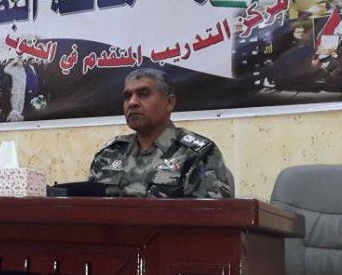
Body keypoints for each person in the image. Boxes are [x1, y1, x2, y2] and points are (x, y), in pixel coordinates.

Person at [88, 69, 234, 198]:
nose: (132, 103)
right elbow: (88, 210)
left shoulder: (197, 155)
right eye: (127, 96)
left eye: (144, 94)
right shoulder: (110, 154)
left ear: (169, 103)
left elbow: (211, 217)